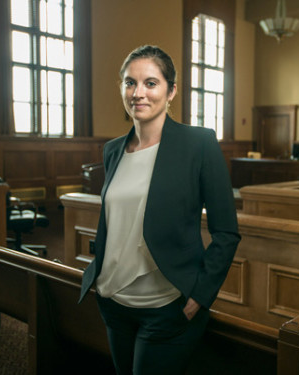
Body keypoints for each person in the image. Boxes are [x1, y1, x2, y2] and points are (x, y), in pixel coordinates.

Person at [78, 45, 241, 374]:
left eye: (150, 83)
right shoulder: (113, 151)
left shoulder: (199, 145)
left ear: (171, 91)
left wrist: (200, 295)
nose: (138, 93)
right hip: (113, 302)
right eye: (130, 83)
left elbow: (226, 232)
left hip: (167, 305)